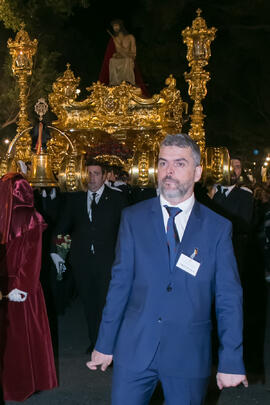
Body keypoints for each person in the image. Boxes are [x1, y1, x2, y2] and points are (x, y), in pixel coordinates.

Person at [87, 134, 247, 405]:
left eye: (179, 164)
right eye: (163, 163)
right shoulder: (133, 218)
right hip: (134, 350)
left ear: (197, 172)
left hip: (188, 355)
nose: (168, 171)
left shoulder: (218, 228)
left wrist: (231, 358)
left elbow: (228, 299)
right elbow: (119, 285)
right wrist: (104, 343)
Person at [51, 159, 126, 353]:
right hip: (82, 263)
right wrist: (59, 255)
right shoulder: (75, 199)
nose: (92, 178)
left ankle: (109, 345)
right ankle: (95, 342)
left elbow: (126, 232)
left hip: (108, 262)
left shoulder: (117, 199)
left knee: (106, 305)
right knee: (90, 305)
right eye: (89, 173)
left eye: (96, 173)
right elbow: (62, 229)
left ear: (104, 176)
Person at [0, 173, 57, 402]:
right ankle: (24, 383)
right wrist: (21, 286)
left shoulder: (20, 217)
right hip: (21, 287)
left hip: (12, 285)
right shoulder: (31, 217)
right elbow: (32, 258)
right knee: (21, 338)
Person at [99, 19, 148, 96]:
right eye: (114, 26)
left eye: (116, 25)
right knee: (112, 60)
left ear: (121, 26)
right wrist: (117, 54)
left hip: (129, 57)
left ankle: (127, 82)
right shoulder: (115, 39)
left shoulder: (130, 37)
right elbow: (118, 51)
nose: (115, 28)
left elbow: (133, 52)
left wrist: (127, 54)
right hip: (121, 57)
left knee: (127, 60)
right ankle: (114, 83)